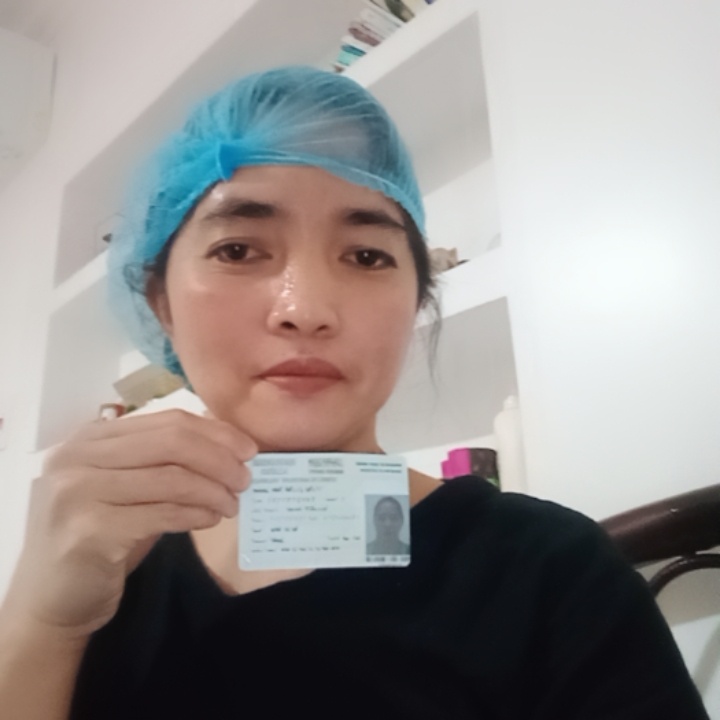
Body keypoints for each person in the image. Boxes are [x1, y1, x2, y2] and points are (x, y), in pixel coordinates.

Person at [0, 66, 710, 720]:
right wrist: (43, 621)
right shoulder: (102, 577)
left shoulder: (551, 570)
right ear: (160, 303)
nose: (305, 308)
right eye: (238, 249)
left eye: (367, 255)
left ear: (416, 300)